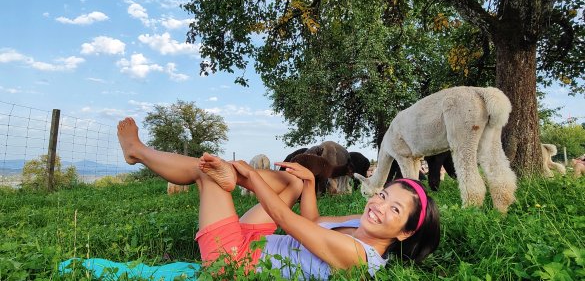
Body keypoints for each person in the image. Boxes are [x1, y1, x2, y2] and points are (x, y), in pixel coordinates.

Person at [117, 117, 440, 279]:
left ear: (405, 232)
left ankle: (139, 152)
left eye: (394, 209)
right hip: (256, 244)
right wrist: (308, 184)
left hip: (234, 262)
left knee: (208, 174)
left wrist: (254, 179)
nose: (378, 205)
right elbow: (312, 223)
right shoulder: (356, 223)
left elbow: (290, 221)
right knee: (291, 180)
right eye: (383, 195)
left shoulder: (360, 257)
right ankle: (234, 175)